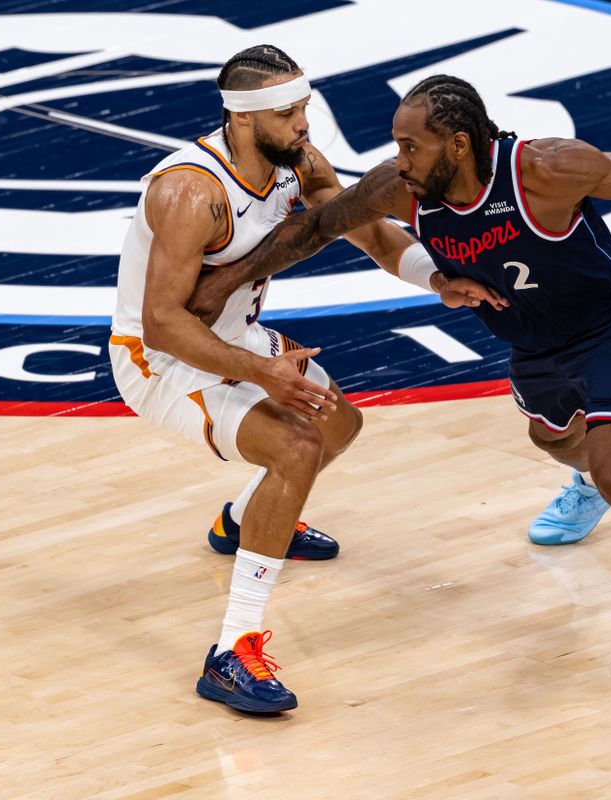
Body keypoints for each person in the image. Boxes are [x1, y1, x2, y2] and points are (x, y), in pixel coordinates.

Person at [188, 74, 611, 697]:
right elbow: (319, 225)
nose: (398, 161)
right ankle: (588, 478)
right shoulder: (401, 189)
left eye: (411, 147)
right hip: (535, 343)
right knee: (554, 439)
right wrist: (227, 280)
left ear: (458, 145)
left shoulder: (548, 169)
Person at [109, 52, 502, 715]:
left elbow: (373, 233)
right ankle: (232, 651)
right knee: (295, 449)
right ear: (242, 118)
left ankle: (245, 521)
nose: (304, 125)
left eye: (303, 109)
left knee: (339, 425)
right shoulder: (190, 192)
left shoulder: (302, 163)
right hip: (158, 359)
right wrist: (262, 371)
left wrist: (436, 279)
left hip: (236, 342)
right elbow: (164, 322)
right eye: (288, 114)